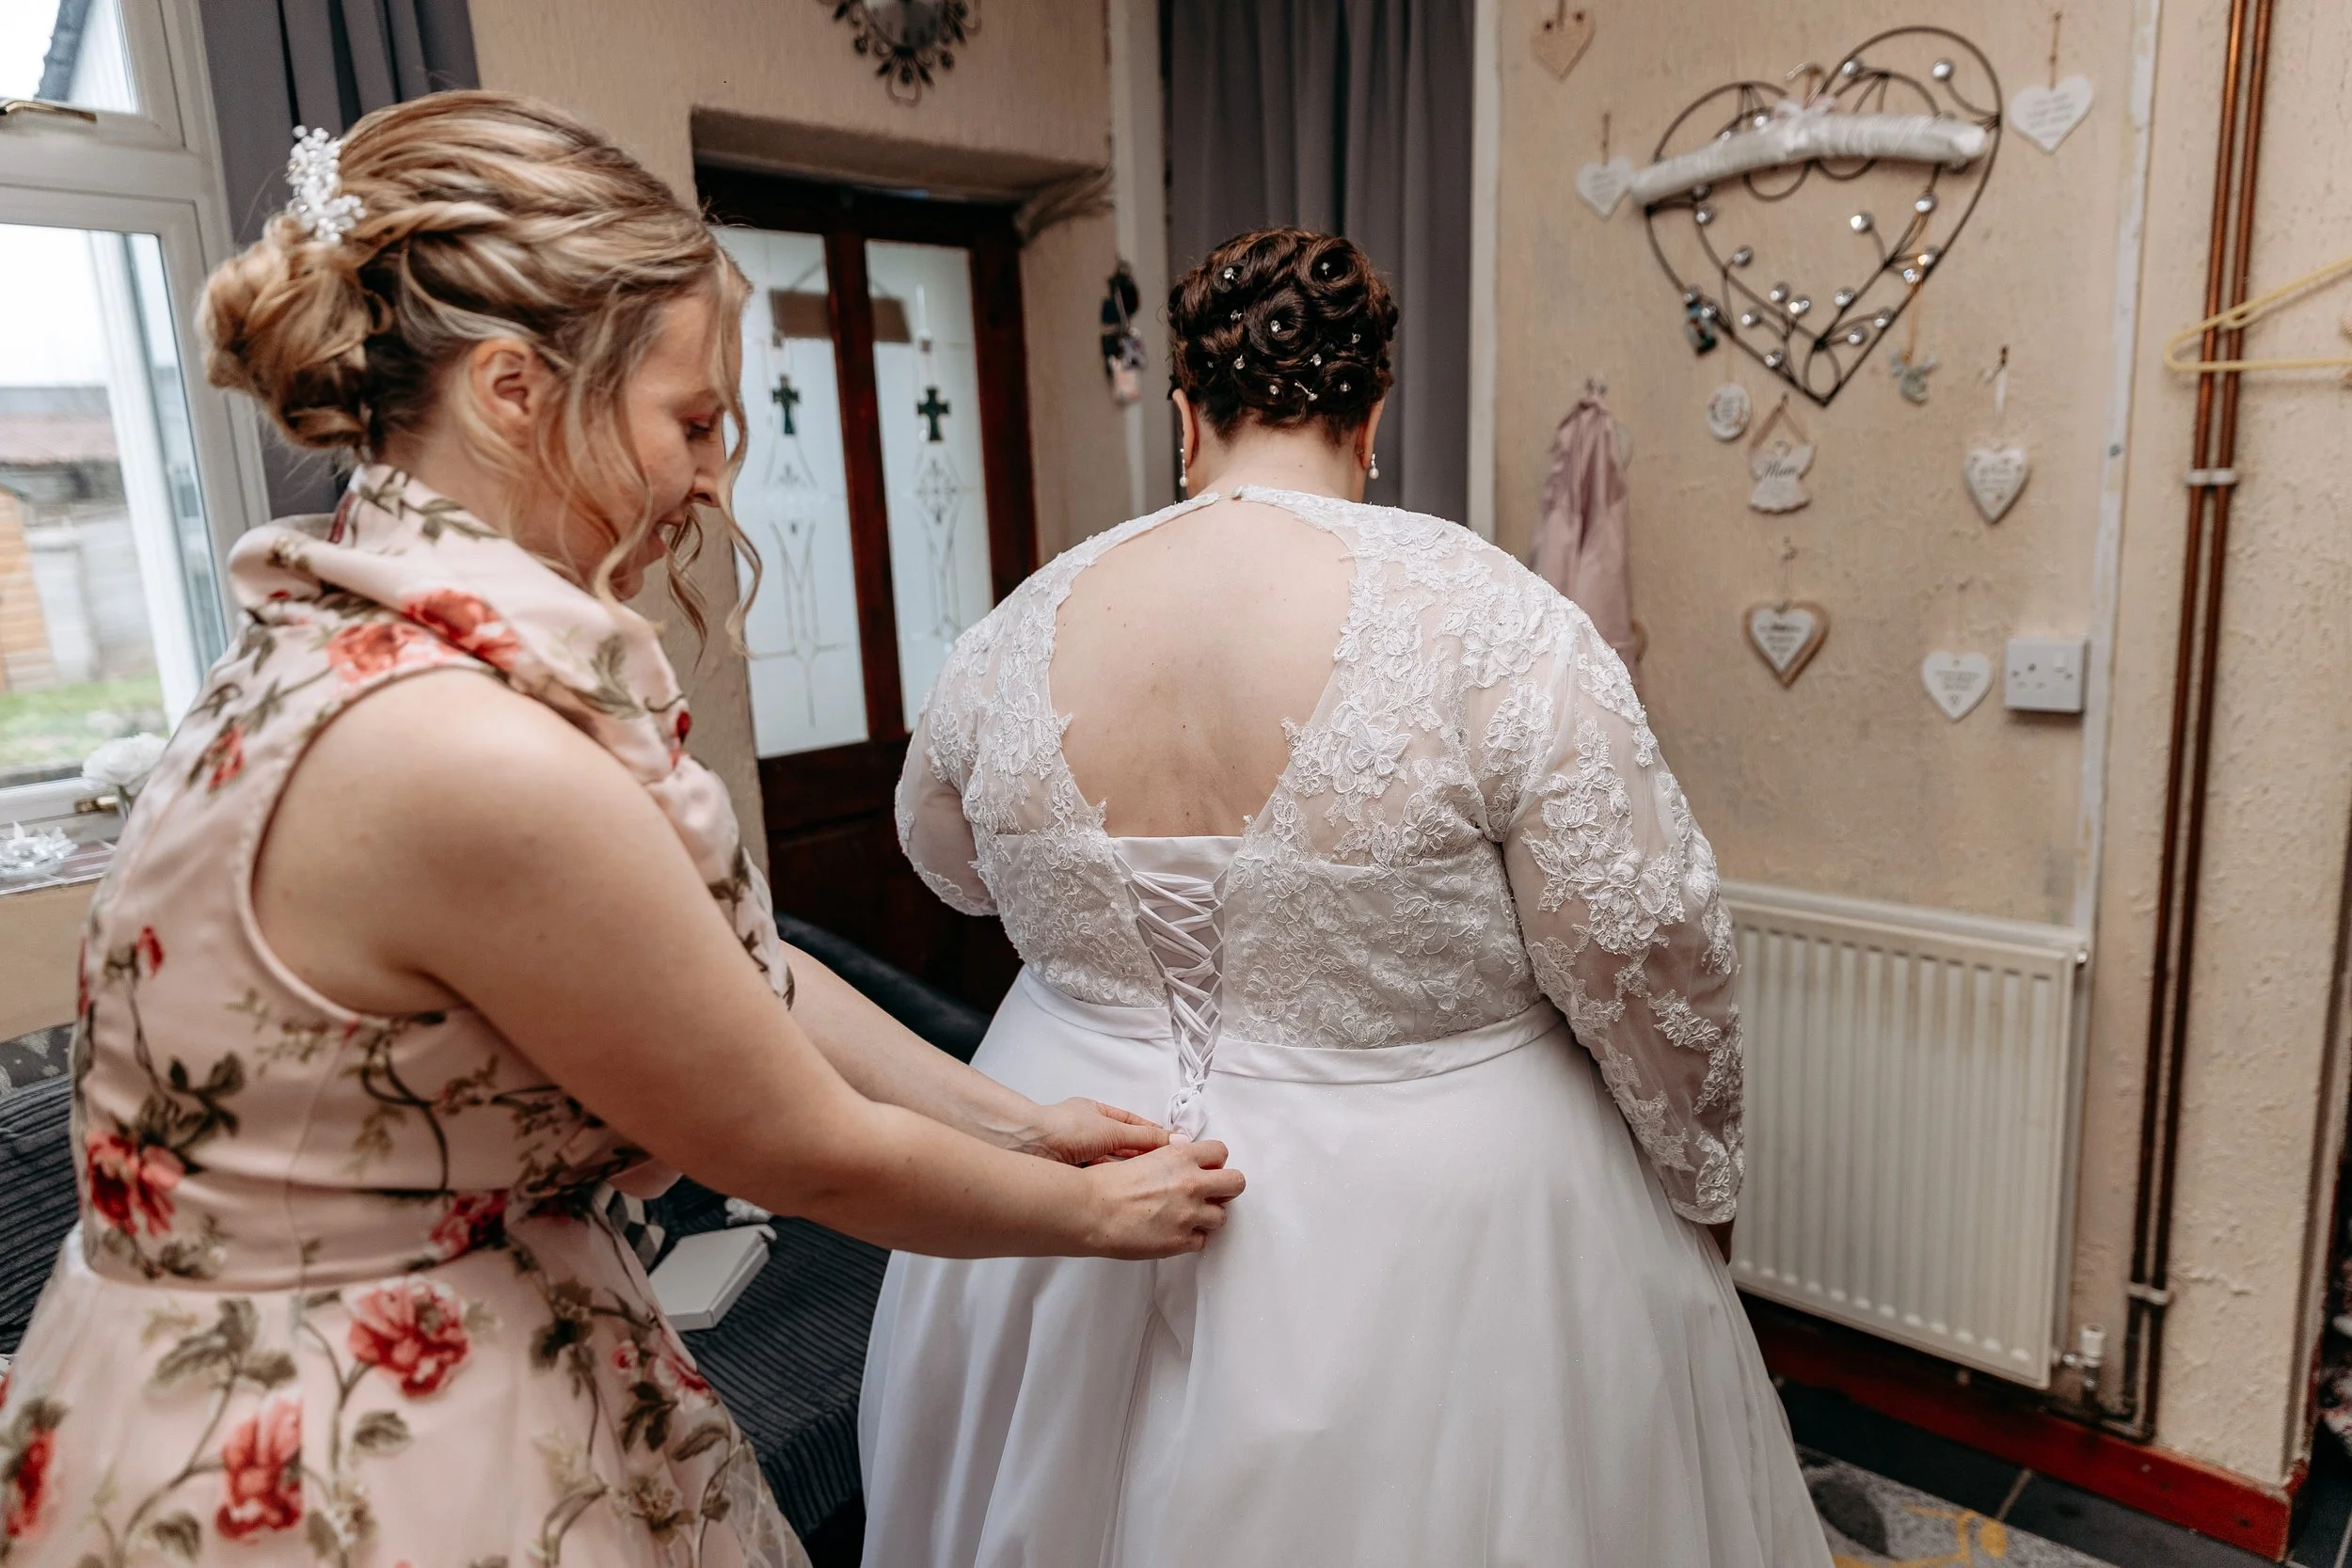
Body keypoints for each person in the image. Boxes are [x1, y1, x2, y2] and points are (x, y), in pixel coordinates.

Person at [0, 93, 1244, 1568]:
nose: (720, 475)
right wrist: (1093, 1221)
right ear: (513, 390)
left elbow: (742, 975)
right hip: (342, 1459)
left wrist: (1016, 1116)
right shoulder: (460, 747)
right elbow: (795, 1144)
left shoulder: (328, 644)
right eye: (695, 418)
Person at [861, 227, 1832, 1566]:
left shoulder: (1018, 624)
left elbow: (948, 862)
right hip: (1438, 1245)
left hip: (1058, 1187)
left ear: (1187, 423)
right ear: (1373, 421)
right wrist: (1699, 1174)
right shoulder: (1495, 622)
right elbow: (1649, 946)